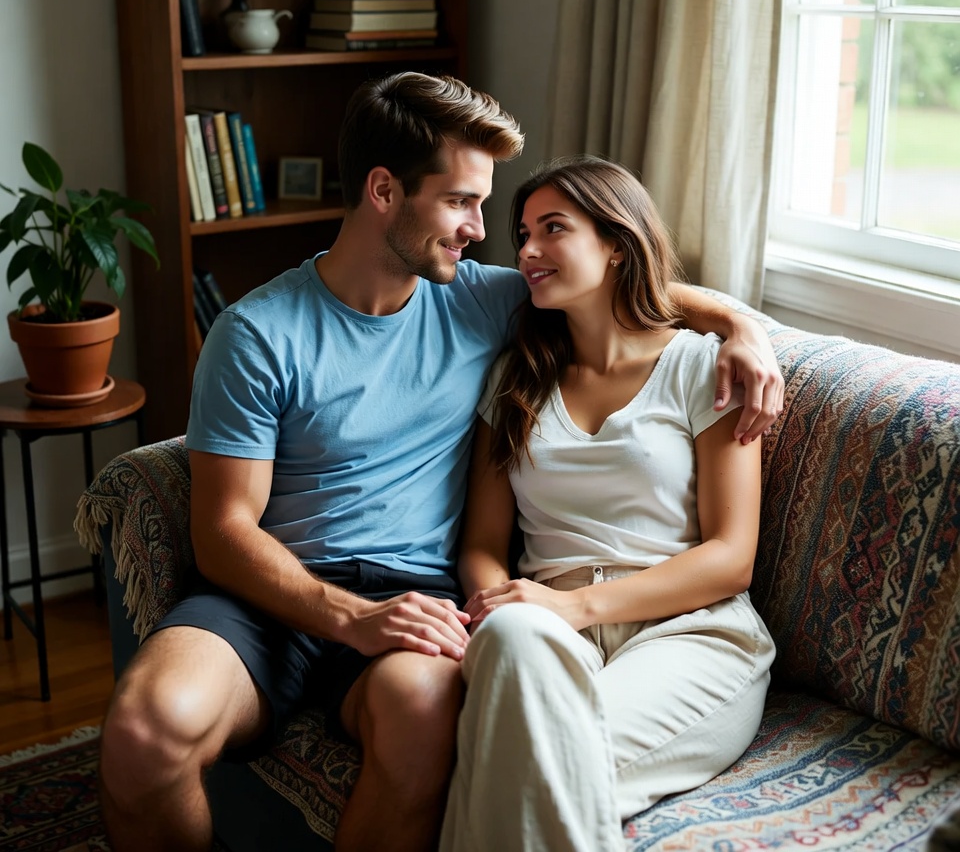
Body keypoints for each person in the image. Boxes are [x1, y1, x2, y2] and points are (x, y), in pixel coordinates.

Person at [97, 74, 783, 852]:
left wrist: (740, 325)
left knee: (425, 719)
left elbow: (620, 283)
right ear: (384, 190)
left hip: (415, 599)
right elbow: (223, 532)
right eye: (462, 202)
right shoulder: (257, 333)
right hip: (266, 603)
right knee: (145, 734)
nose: (484, 233)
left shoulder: (482, 299)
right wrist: (351, 619)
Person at [440, 156, 777, 852]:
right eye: (523, 232)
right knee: (509, 639)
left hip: (686, 631)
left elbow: (729, 558)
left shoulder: (700, 366)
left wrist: (573, 606)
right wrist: (499, 602)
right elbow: (481, 542)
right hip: (540, 629)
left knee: (529, 756)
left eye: (553, 229)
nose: (527, 250)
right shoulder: (515, 378)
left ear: (617, 244)